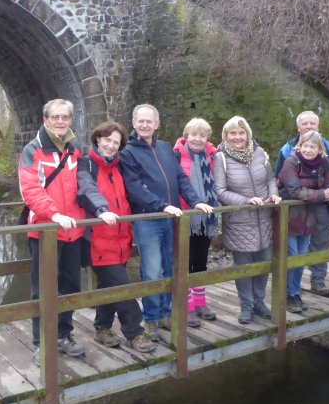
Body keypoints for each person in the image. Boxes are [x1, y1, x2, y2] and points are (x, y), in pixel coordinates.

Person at [120, 104, 214, 342]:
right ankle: (151, 319)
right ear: (134, 123)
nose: (144, 125)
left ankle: (165, 313)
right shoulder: (127, 152)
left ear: (157, 124)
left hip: (172, 219)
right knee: (151, 271)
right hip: (148, 219)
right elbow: (133, 188)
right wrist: (161, 205)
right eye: (140, 121)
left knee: (171, 268)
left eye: (149, 121)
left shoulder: (164, 148)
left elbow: (180, 179)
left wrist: (195, 202)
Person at [76, 122, 156, 353]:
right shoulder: (86, 164)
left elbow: (135, 190)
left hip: (121, 239)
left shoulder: (120, 167)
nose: (111, 146)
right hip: (98, 240)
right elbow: (86, 189)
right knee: (121, 286)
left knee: (108, 284)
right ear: (97, 139)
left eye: (115, 142)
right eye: (107, 140)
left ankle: (102, 328)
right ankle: (135, 332)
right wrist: (102, 210)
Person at [18, 98, 86, 364]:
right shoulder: (33, 150)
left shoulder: (75, 148)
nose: (60, 121)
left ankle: (64, 335)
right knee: (43, 289)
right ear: (45, 119)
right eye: (55, 117)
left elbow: (84, 183)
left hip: (74, 230)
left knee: (70, 286)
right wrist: (53, 213)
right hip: (45, 230)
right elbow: (30, 189)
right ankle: (41, 342)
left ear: (70, 120)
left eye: (65, 117)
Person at [214, 116, 281, 324]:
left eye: (241, 133)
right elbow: (220, 191)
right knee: (242, 266)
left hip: (264, 219)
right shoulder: (221, 158)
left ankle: (259, 302)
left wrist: (274, 194)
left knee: (263, 262)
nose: (237, 137)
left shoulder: (260, 153)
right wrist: (246, 200)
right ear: (226, 136)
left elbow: (270, 178)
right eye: (232, 133)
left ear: (247, 134)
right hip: (239, 221)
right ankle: (246, 305)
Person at [274, 111, 329, 297]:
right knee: (294, 252)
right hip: (295, 207)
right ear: (298, 128)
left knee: (320, 244)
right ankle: (291, 289)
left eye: (313, 123)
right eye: (305, 123)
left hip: (320, 207)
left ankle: (318, 281)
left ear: (318, 127)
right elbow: (281, 180)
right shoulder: (287, 151)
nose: (309, 126)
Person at [174, 118, 220, 328]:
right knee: (186, 261)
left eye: (202, 135)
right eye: (194, 134)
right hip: (186, 218)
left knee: (201, 260)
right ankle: (187, 305)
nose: (197, 139)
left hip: (206, 218)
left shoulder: (212, 156)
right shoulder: (176, 156)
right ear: (186, 136)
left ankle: (200, 302)